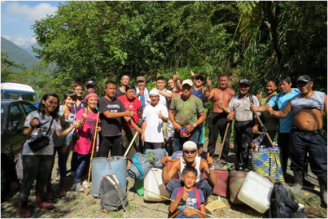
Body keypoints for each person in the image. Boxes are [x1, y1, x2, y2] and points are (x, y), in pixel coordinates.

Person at [266, 75, 327, 207]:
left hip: (315, 135)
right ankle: (298, 184)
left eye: (304, 83)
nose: (302, 86)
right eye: (300, 84)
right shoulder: (295, 99)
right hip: (297, 134)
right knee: (297, 160)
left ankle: (324, 191)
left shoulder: (321, 96)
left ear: (311, 83)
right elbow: (283, 113)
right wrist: (273, 112)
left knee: (320, 162)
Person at [18, 93, 78, 217]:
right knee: (28, 179)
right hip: (31, 152)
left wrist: (73, 126)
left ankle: (39, 201)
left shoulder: (55, 118)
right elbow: (25, 132)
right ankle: (22, 205)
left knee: (43, 178)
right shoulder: (33, 115)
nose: (53, 105)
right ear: (44, 101)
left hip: (48, 152)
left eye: (55, 103)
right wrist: (31, 126)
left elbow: (60, 134)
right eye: (50, 102)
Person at [250, 76, 300, 178]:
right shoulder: (276, 98)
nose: (282, 86)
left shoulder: (298, 91)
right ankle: (283, 175)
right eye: (280, 84)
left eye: (283, 84)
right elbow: (267, 106)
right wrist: (256, 108)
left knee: (298, 155)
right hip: (284, 130)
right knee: (283, 155)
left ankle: (301, 178)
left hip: (298, 129)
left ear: (290, 84)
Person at [220, 79, 260, 171]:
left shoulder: (253, 98)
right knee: (237, 146)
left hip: (248, 124)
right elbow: (230, 110)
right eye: (241, 86)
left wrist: (256, 125)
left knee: (245, 146)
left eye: (245, 86)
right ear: (239, 87)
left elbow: (258, 113)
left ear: (249, 88)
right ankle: (239, 164)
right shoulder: (234, 98)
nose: (243, 88)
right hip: (237, 124)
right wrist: (224, 108)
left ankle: (246, 165)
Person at [46, 91, 78, 198]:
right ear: (65, 99)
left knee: (63, 164)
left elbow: (71, 131)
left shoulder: (73, 115)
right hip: (51, 143)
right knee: (49, 165)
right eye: (69, 99)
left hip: (64, 143)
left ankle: (62, 187)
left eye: (73, 99)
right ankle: (48, 188)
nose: (71, 101)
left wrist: (66, 144)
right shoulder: (56, 110)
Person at [71, 92, 101, 192]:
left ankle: (84, 179)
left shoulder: (97, 112)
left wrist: (99, 128)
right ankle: (76, 182)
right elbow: (77, 126)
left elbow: (97, 124)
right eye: (91, 100)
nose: (93, 102)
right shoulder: (82, 111)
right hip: (82, 140)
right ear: (87, 101)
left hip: (92, 140)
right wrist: (83, 118)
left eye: (95, 100)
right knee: (82, 161)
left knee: (88, 160)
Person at [98, 81, 135, 158]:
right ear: (105, 89)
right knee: (103, 157)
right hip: (105, 134)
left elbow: (126, 117)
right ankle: (104, 170)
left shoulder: (118, 101)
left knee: (116, 158)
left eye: (114, 89)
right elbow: (108, 115)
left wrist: (137, 128)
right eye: (110, 88)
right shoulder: (102, 100)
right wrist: (125, 113)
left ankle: (115, 170)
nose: (112, 91)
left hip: (117, 134)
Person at [169, 79, 206, 152]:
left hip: (191, 130)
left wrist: (194, 125)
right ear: (181, 88)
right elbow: (170, 112)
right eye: (184, 87)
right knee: (177, 151)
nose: (186, 90)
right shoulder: (176, 99)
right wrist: (174, 123)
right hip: (178, 130)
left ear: (191, 89)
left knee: (190, 152)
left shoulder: (197, 100)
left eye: (188, 88)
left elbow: (203, 116)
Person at [207, 74, 235, 159]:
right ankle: (210, 157)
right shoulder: (214, 90)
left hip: (226, 117)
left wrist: (232, 113)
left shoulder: (232, 92)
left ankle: (224, 157)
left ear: (228, 81)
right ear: (219, 81)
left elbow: (235, 105)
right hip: (215, 116)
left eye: (225, 80)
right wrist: (208, 87)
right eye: (221, 80)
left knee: (226, 139)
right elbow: (208, 97)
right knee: (212, 138)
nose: (223, 82)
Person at [118, 84, 142, 167]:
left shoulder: (137, 101)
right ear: (125, 92)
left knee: (133, 146)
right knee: (123, 144)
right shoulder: (120, 99)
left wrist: (140, 113)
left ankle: (129, 163)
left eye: (133, 92)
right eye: (129, 92)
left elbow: (140, 111)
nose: (131, 93)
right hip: (122, 126)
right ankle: (122, 162)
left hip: (134, 126)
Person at [190, 71, 212, 154]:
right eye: (197, 78)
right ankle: (191, 152)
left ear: (203, 81)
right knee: (191, 133)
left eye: (201, 79)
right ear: (195, 79)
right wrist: (192, 76)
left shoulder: (203, 89)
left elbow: (207, 94)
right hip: (191, 114)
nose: (199, 80)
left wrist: (209, 86)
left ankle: (199, 154)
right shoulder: (190, 88)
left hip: (200, 115)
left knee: (201, 136)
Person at [256, 79, 278, 147]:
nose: (269, 88)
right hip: (261, 123)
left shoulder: (277, 96)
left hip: (271, 125)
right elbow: (257, 106)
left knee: (268, 143)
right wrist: (256, 99)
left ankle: (268, 157)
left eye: (271, 86)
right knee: (259, 144)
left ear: (275, 87)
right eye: (267, 86)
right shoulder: (262, 95)